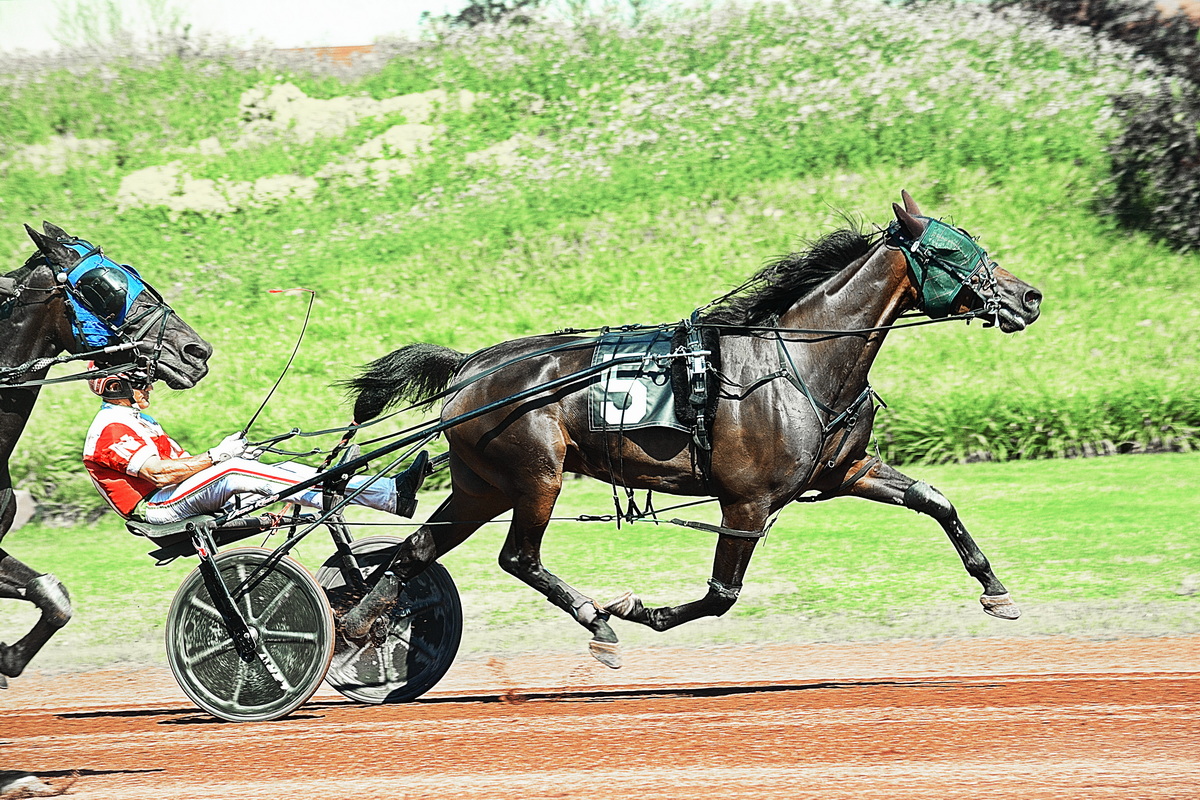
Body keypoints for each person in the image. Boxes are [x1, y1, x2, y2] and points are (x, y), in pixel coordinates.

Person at [82, 367, 427, 526]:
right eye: (142, 382)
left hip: (173, 496)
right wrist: (220, 457)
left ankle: (390, 494)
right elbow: (158, 475)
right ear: (115, 386)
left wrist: (241, 457)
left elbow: (184, 464)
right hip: (154, 509)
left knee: (280, 470)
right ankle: (327, 495)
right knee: (233, 470)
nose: (151, 388)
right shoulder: (110, 428)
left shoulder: (140, 421)